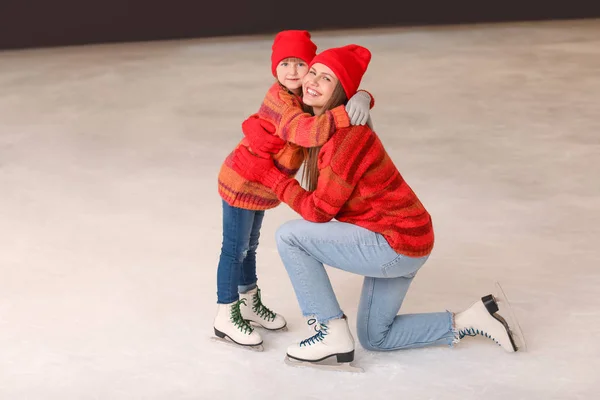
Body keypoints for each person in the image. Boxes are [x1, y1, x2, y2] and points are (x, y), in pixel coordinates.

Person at [230, 44, 520, 364]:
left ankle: (330, 330)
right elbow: (284, 105)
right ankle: (472, 320)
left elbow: (318, 212)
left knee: (290, 236)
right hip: (410, 238)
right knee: (376, 337)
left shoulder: (345, 140)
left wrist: (271, 177)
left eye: (326, 78)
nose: (311, 80)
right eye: (312, 71)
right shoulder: (328, 125)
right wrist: (363, 95)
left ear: (340, 91)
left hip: (394, 242)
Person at [214, 31, 375, 349]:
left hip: (261, 187)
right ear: (275, 68)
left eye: (300, 64)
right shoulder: (281, 99)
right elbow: (305, 131)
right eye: (284, 63)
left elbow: (337, 85)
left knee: (250, 247)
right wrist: (344, 113)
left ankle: (247, 302)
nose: (291, 71)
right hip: (242, 179)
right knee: (234, 249)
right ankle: (225, 312)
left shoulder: (306, 94)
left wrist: (363, 96)